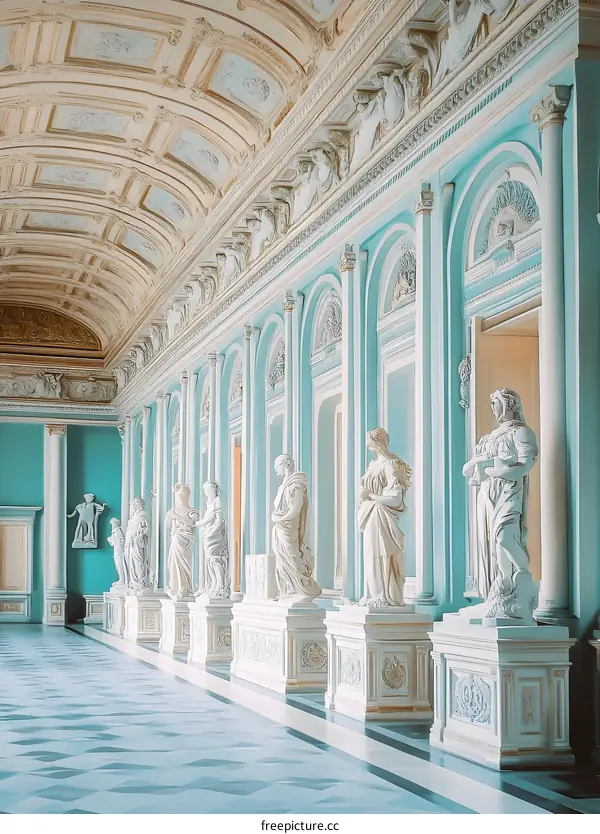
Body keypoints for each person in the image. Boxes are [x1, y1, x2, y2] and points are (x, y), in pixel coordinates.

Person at [358, 428, 412, 607]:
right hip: (371, 515)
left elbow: (395, 498)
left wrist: (370, 496)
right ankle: (374, 594)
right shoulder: (373, 465)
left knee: (382, 554)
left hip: (381, 516)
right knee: (371, 554)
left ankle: (384, 596)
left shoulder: (391, 465)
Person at [271, 454, 321, 603]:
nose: (276, 471)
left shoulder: (296, 485)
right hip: (280, 527)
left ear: (285, 465)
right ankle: (288, 590)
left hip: (288, 527)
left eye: (277, 467)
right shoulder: (283, 486)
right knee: (281, 560)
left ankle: (303, 588)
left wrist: (280, 518)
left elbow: (296, 509)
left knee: (292, 556)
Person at [196, 480, 230, 599]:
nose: (205, 492)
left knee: (215, 559)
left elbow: (219, 521)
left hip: (215, 536)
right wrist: (198, 524)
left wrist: (209, 532)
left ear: (213, 490)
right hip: (208, 536)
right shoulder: (210, 503)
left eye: (206, 490)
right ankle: (214, 584)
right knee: (209, 561)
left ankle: (220, 585)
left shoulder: (217, 501)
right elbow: (207, 520)